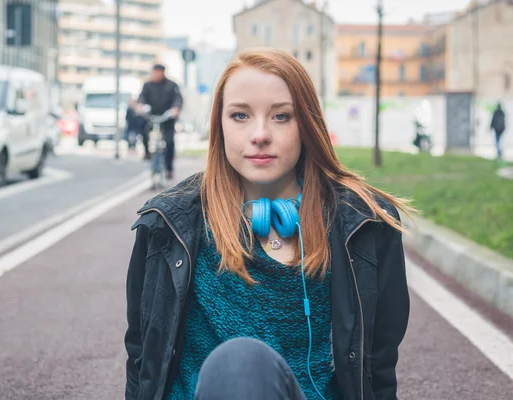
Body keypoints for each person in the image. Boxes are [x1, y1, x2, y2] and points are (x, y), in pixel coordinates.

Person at [125, 49, 412, 400]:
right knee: (239, 364)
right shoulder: (168, 223)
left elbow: (380, 368)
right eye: (240, 115)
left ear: (307, 125)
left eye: (281, 117)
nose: (260, 134)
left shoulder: (367, 223)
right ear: (220, 125)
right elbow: (142, 361)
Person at [137, 64, 183, 178]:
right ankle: (147, 152)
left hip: (167, 118)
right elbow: (142, 97)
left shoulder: (172, 85)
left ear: (162, 72)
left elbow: (178, 99)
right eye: (154, 72)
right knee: (142, 128)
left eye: (158, 72)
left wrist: (175, 109)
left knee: (170, 141)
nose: (155, 75)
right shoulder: (147, 85)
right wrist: (140, 106)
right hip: (151, 117)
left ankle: (169, 168)